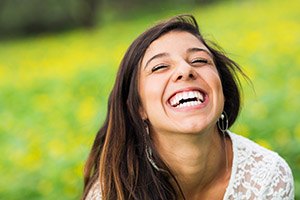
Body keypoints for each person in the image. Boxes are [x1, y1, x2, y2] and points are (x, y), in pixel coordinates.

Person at [82, 15, 294, 200]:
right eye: (160, 66)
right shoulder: (111, 192)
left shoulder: (267, 176)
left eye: (199, 60)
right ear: (139, 107)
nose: (185, 69)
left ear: (221, 89)